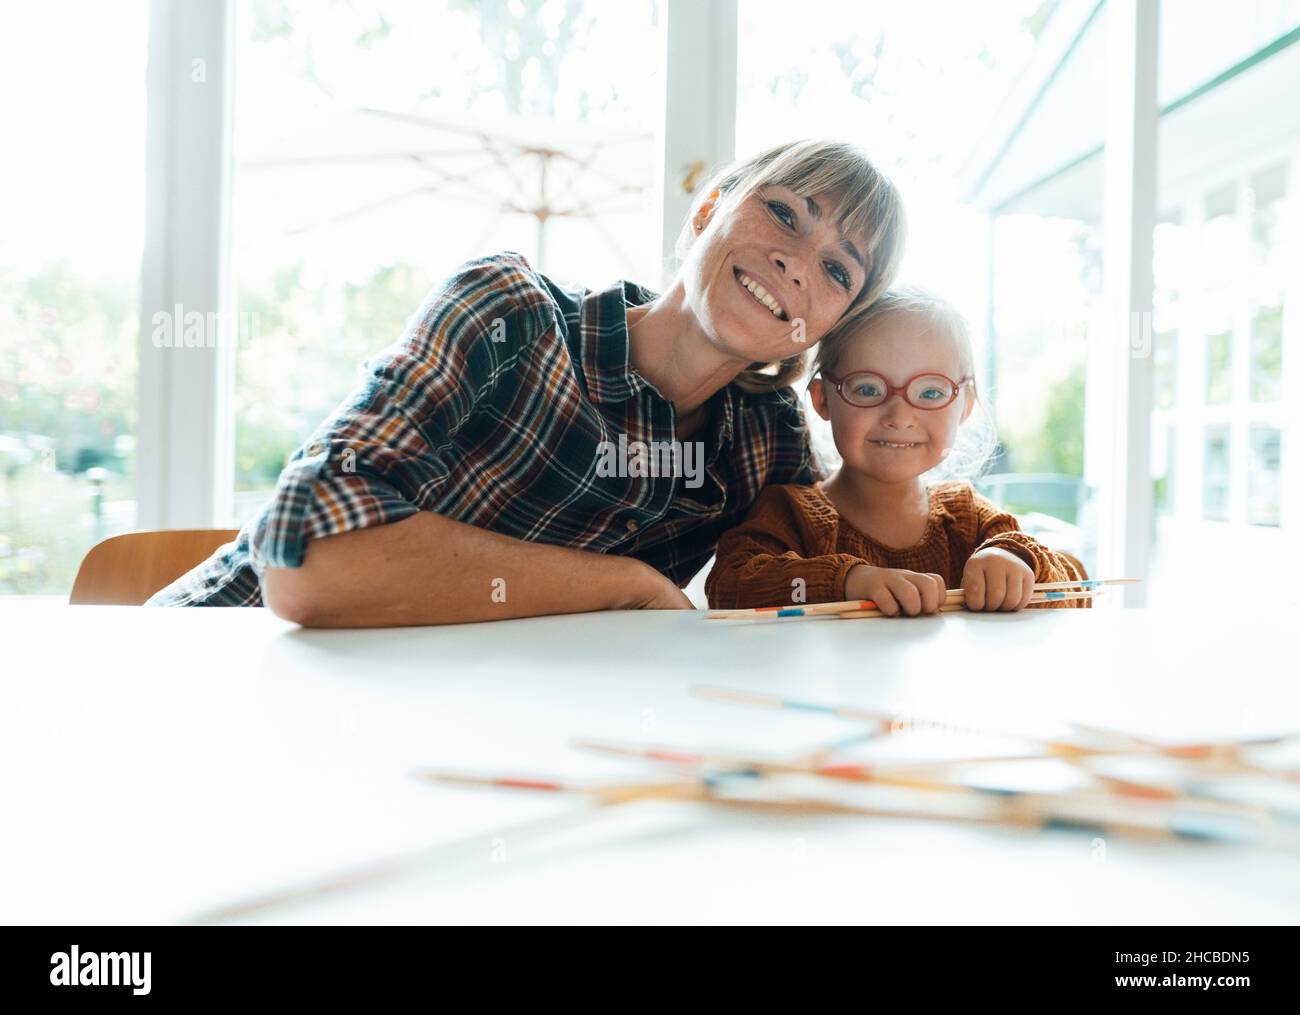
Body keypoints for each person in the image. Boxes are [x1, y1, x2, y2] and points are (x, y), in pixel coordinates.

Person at [147, 139, 906, 626]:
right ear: (710, 208)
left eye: (838, 270)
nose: (798, 262)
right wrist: (625, 584)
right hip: (208, 666)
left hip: (420, 728)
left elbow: (845, 569)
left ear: (832, 321)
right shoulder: (513, 315)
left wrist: (999, 552)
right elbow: (305, 557)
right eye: (783, 213)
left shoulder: (762, 436)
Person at [705, 286, 1089, 614]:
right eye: (868, 388)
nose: (900, 415)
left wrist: (1017, 562)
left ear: (965, 406)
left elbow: (1078, 590)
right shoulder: (791, 514)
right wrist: (848, 581)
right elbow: (729, 586)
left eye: (931, 393)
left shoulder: (968, 518)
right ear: (823, 400)